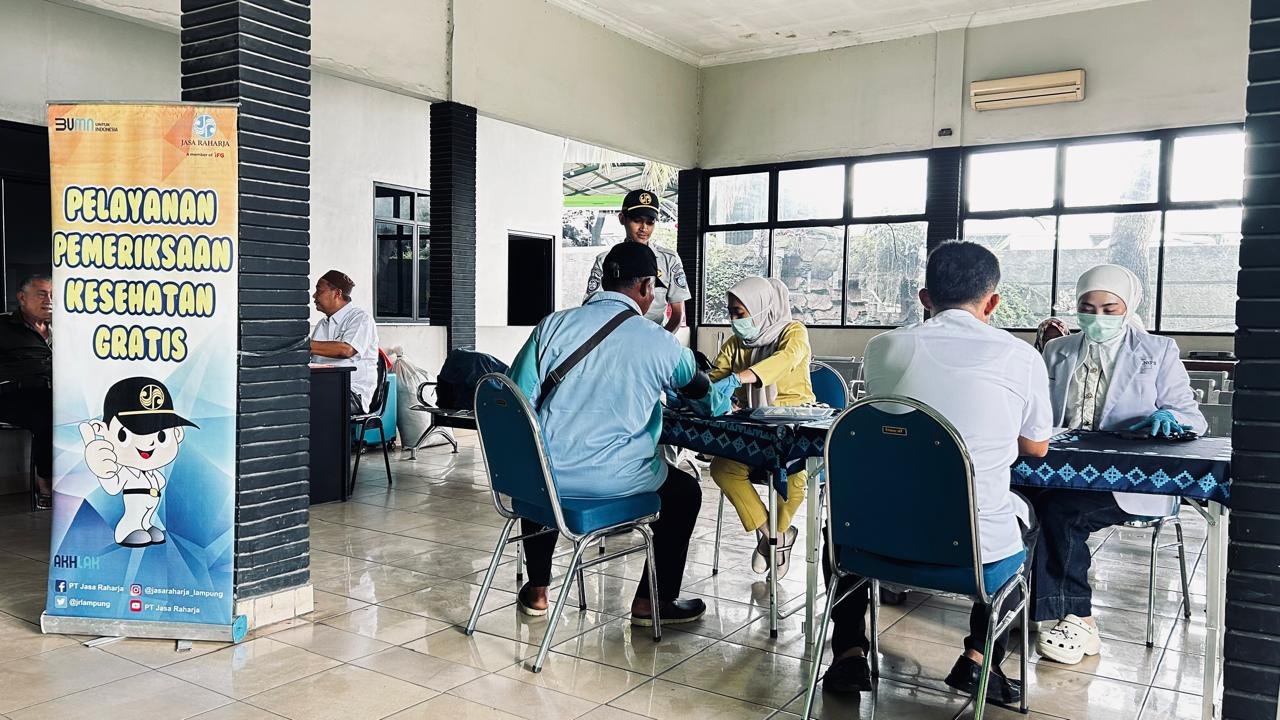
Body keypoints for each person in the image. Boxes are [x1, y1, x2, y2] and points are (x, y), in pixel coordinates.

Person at [822, 241, 1052, 705]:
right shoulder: (1021, 356)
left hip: (870, 544)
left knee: (841, 525)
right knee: (1025, 519)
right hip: (971, 556)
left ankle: (848, 653)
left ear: (925, 298)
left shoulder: (882, 347)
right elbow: (1036, 447)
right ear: (993, 302)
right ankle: (978, 659)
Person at [509, 241, 732, 626]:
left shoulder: (552, 326)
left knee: (543, 465)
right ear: (646, 287)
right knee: (685, 493)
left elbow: (516, 398)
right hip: (619, 483)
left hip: (544, 482)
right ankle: (651, 603)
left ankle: (539, 590)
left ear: (604, 281)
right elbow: (706, 400)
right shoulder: (663, 344)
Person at [1032, 264, 1207, 665]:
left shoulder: (1157, 351)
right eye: (1087, 308)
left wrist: (1170, 417)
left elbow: (1192, 418)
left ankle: (1080, 619)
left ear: (1128, 307)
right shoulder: (1057, 351)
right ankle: (1027, 603)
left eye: (1110, 309)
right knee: (1021, 502)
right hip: (1061, 469)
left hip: (1129, 479)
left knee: (1060, 512)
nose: (1098, 317)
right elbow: (1039, 411)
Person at [707, 276, 814, 578]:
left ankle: (770, 542)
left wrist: (740, 377)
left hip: (795, 423)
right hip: (753, 426)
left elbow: (785, 359)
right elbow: (714, 378)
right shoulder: (736, 343)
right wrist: (695, 386)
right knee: (722, 468)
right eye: (730, 312)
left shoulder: (793, 332)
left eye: (740, 313)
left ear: (761, 308)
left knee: (794, 483)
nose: (734, 320)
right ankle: (777, 536)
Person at [584, 189, 690, 333]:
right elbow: (591, 307)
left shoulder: (669, 260)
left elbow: (677, 314)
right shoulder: (605, 260)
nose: (644, 228)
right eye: (637, 220)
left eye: (650, 222)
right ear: (622, 219)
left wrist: (661, 341)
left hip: (654, 336)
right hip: (616, 336)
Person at [0, 274, 54, 508]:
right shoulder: (4, 327)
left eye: (52, 295)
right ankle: (45, 485)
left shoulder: (67, 327)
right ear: (21, 297)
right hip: (12, 396)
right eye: (42, 294)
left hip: (56, 394)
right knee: (48, 413)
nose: (49, 300)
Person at [309, 270, 380, 413]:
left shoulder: (361, 318)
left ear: (337, 293)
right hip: (322, 386)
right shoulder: (322, 324)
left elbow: (346, 350)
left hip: (350, 393)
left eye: (319, 291)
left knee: (304, 404)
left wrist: (302, 345)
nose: (314, 296)